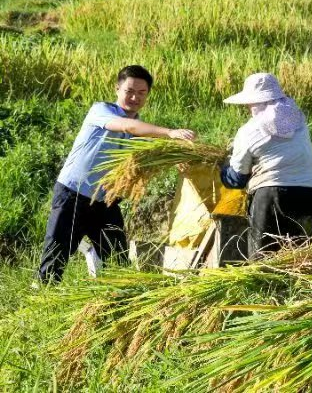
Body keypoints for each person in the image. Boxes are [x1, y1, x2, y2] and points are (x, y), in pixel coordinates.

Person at [37, 65, 196, 283]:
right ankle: (43, 293)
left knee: (118, 259)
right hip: (73, 194)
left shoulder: (141, 131)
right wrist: (170, 132)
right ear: (117, 89)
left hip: (105, 201)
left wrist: (180, 158)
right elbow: (128, 126)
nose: (135, 97)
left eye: (141, 93)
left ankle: (113, 295)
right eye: (129, 91)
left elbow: (147, 160)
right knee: (56, 256)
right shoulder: (101, 111)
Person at [219, 73, 312, 259]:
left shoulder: (249, 130)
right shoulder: (299, 122)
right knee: (297, 262)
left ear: (255, 103)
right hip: (309, 197)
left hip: (272, 198)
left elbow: (237, 179)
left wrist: (222, 167)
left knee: (263, 262)